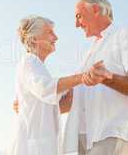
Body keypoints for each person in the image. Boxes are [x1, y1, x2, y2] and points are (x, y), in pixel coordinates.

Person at [9, 15, 101, 155]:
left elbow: (57, 105)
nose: (56, 37)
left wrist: (70, 91)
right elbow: (46, 88)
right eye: (50, 33)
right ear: (34, 39)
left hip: (45, 146)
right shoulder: (29, 62)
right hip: (29, 147)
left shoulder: (39, 68)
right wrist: (82, 77)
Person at [63, 0, 128, 155]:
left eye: (79, 16)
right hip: (83, 138)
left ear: (96, 9)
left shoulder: (123, 35)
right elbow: (73, 98)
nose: (76, 24)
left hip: (112, 133)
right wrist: (35, 103)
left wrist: (107, 78)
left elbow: (104, 78)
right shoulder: (87, 54)